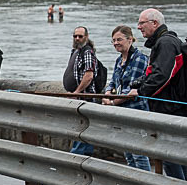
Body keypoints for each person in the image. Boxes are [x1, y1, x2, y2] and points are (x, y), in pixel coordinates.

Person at [129, 8, 187, 179]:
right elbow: (155, 73)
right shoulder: (164, 42)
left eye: (141, 23)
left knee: (169, 156)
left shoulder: (166, 43)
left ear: (154, 23)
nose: (138, 27)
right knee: (176, 155)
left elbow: (163, 75)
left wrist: (141, 91)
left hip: (171, 109)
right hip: (173, 108)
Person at [102, 25, 151, 171]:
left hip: (136, 111)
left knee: (138, 154)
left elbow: (131, 90)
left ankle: (146, 184)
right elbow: (112, 82)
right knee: (128, 153)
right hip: (122, 112)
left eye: (119, 39)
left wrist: (111, 102)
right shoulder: (119, 60)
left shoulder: (139, 59)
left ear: (130, 40)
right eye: (113, 40)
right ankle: (136, 184)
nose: (116, 43)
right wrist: (107, 93)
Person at [64, 26, 98, 155]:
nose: (77, 39)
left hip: (85, 98)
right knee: (81, 131)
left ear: (86, 37)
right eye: (75, 36)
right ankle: (83, 159)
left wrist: (77, 92)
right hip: (78, 97)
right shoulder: (76, 51)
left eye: (80, 36)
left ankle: (77, 158)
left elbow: (89, 75)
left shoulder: (87, 52)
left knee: (82, 131)